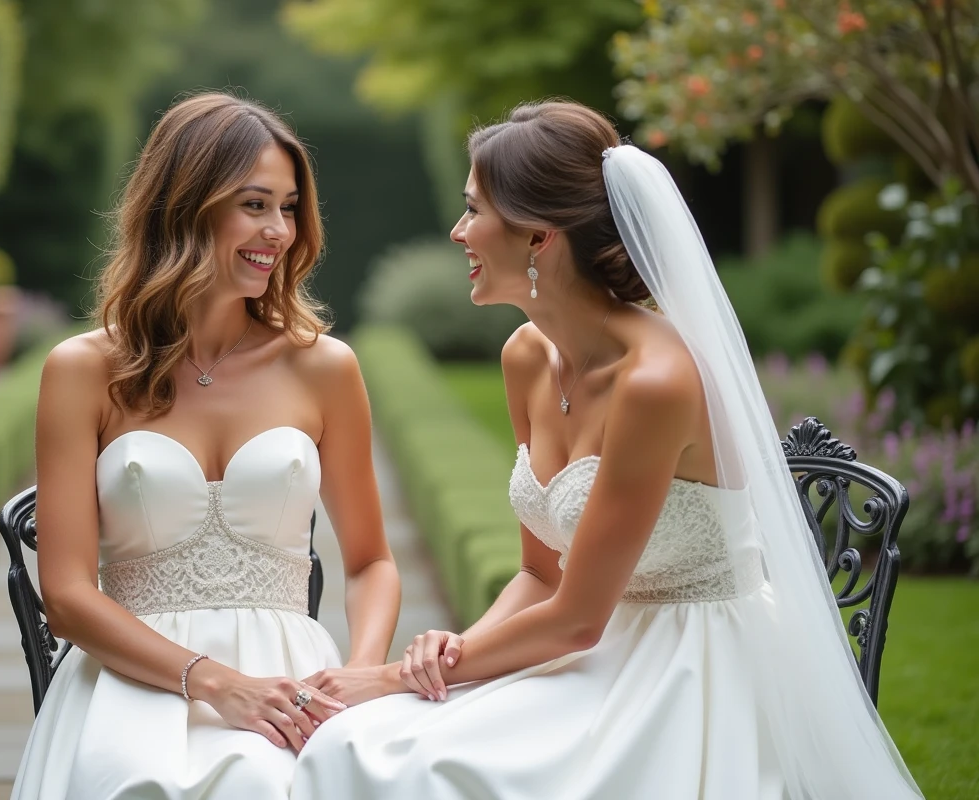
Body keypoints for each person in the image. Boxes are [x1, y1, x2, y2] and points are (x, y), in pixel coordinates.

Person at [292, 100, 922, 799]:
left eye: (474, 211)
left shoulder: (655, 383)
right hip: (594, 650)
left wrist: (384, 677)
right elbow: (539, 576)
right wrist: (441, 656)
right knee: (362, 740)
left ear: (539, 238)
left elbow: (577, 618)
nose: (457, 230)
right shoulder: (525, 356)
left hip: (694, 669)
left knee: (411, 760)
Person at [10, 92, 401, 800]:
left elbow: (372, 561)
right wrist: (215, 684)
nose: (279, 230)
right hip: (134, 680)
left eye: (288, 207)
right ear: (183, 206)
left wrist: (359, 679)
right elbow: (65, 596)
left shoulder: (325, 367)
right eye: (254, 205)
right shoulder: (81, 370)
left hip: (296, 686)